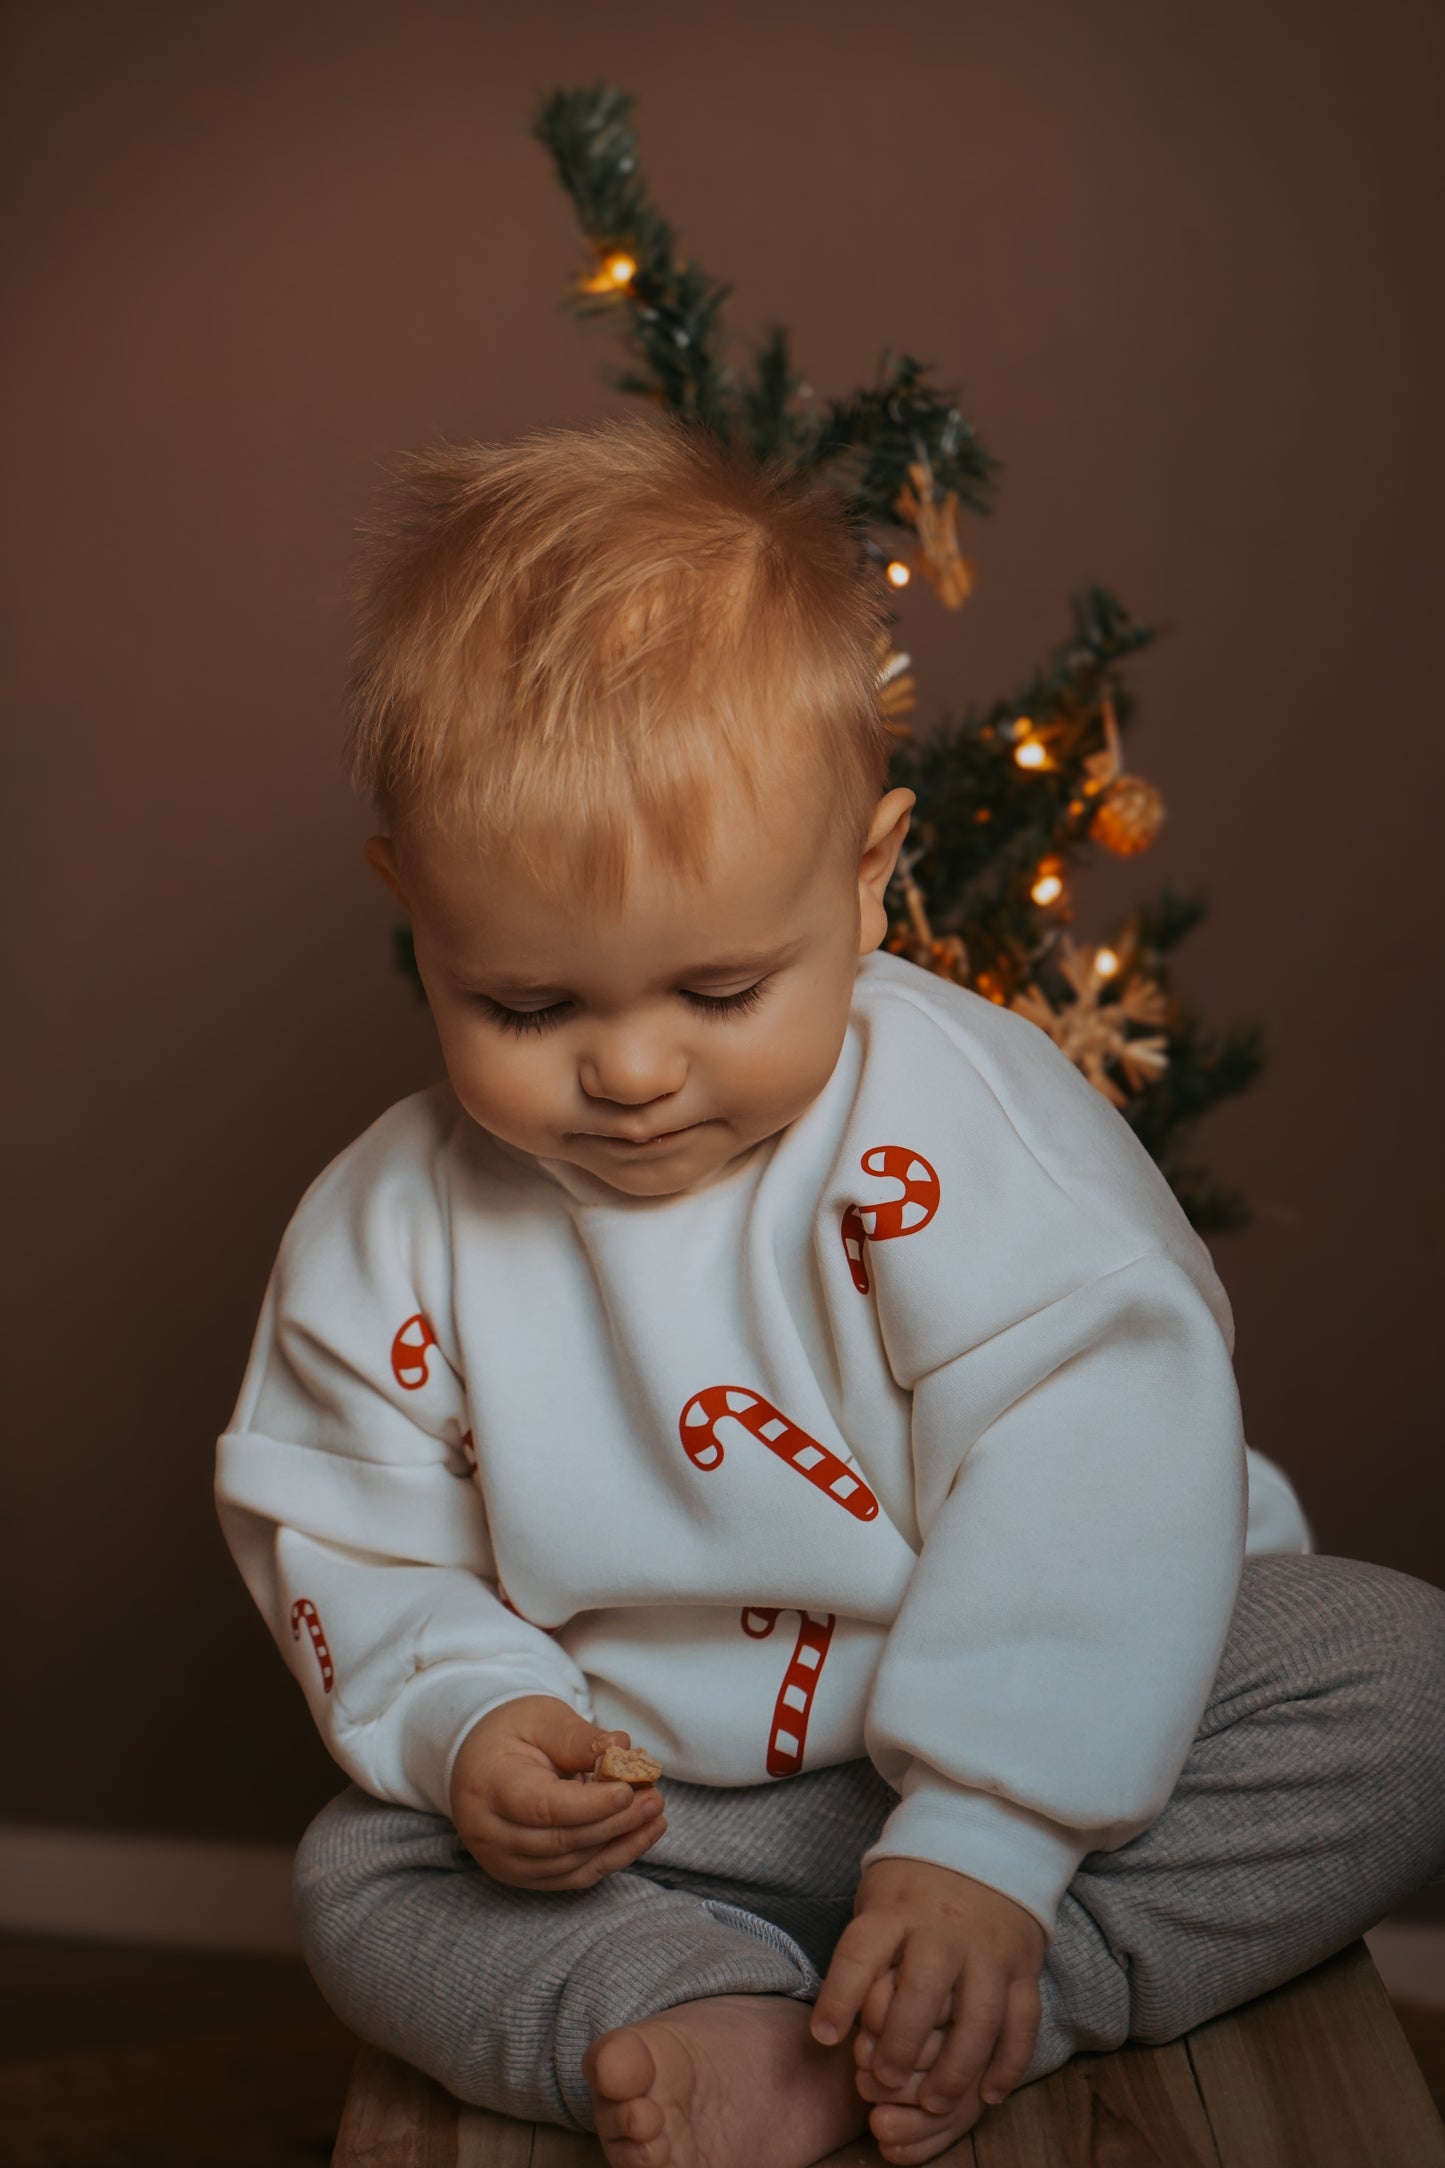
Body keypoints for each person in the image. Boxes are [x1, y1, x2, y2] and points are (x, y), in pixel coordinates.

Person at [215, 416, 1445, 2168]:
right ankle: (693, 2006)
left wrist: (985, 1836)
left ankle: (1003, 1981)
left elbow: (1093, 1455)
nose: (631, 1070)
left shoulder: (953, 1129)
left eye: (718, 989)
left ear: (864, 882)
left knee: (1400, 1682)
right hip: (661, 1818)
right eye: (530, 1009)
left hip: (1040, 1737)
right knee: (366, 1875)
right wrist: (481, 1720)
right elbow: (351, 1532)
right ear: (414, 915)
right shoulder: (385, 1228)